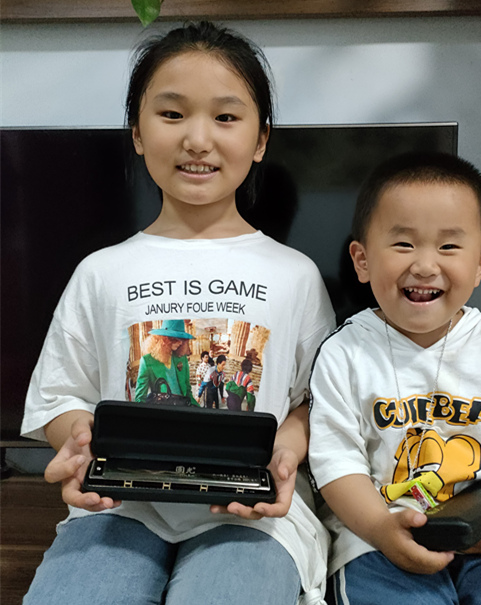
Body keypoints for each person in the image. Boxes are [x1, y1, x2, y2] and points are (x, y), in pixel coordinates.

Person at [21, 21, 335, 605]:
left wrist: (287, 452)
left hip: (250, 511)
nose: (197, 139)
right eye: (171, 114)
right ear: (138, 133)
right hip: (120, 505)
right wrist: (80, 443)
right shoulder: (100, 271)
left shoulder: (295, 274)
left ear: (261, 139)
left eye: (226, 116)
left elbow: (315, 401)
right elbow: (61, 395)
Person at [308, 152, 481, 604]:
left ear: (480, 263)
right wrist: (380, 528)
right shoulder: (344, 353)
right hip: (379, 540)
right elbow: (335, 460)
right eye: (403, 244)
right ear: (361, 259)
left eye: (449, 247)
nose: (424, 265)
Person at [134, 319, 196, 405]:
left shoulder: (182, 358)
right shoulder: (147, 361)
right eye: (178, 339)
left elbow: (188, 391)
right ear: (165, 339)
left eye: (183, 339)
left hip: (183, 407)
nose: (181, 343)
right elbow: (140, 398)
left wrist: (198, 409)